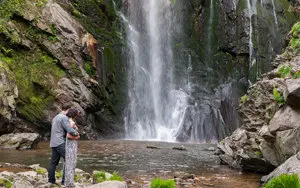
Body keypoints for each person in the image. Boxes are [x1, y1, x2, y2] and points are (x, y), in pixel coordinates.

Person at [48, 104, 78, 185]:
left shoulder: (56, 117)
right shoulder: (64, 118)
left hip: (53, 143)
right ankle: (64, 181)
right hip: (60, 142)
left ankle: (51, 181)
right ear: (68, 109)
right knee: (69, 161)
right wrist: (77, 134)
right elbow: (69, 129)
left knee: (53, 163)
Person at [64, 108, 81, 188]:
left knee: (69, 162)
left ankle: (68, 182)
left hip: (71, 144)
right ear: (74, 115)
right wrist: (76, 137)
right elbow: (68, 135)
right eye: (77, 114)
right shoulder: (71, 122)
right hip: (71, 145)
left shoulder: (68, 121)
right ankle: (69, 183)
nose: (78, 116)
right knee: (71, 162)